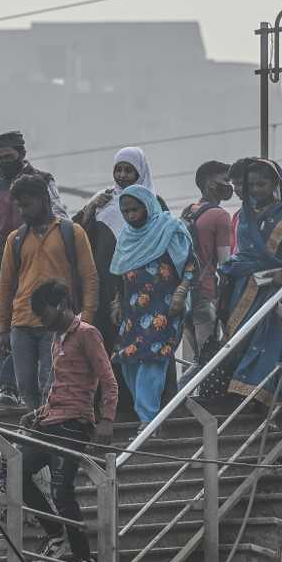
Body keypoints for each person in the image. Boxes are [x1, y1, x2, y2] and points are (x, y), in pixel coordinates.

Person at [21, 280, 117, 562]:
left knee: (61, 489)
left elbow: (108, 380)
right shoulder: (56, 338)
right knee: (18, 474)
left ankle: (82, 558)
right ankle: (55, 535)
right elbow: (60, 386)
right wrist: (37, 412)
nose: (42, 321)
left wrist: (106, 420)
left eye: (44, 313)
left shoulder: (87, 334)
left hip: (75, 422)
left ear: (61, 304)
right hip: (50, 420)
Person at [204, 160, 282, 405]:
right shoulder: (244, 213)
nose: (255, 190)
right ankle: (238, 388)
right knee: (240, 337)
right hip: (242, 285)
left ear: (274, 183)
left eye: (261, 184)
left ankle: (255, 393)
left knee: (267, 337)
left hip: (273, 287)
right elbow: (243, 252)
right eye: (251, 185)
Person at [73, 146, 172, 417]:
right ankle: (107, 408)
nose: (123, 175)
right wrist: (91, 207)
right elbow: (78, 237)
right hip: (107, 290)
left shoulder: (155, 203)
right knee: (106, 344)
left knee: (147, 343)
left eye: (129, 170)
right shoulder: (104, 202)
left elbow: (170, 245)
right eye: (119, 169)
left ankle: (148, 411)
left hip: (146, 290)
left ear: (141, 171)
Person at [0, 131, 68, 407]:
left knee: (40, 327)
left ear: (21, 154)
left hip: (37, 266)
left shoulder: (43, 181)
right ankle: (8, 389)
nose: (3, 162)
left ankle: (43, 392)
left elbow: (60, 217)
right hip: (3, 267)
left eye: (8, 157)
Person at [0, 173, 98, 410]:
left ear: (43, 199)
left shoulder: (72, 233)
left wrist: (87, 323)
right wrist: (3, 329)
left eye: (27, 205)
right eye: (19, 206)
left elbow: (90, 278)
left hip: (57, 323)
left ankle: (47, 437)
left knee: (51, 384)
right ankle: (36, 435)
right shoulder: (16, 239)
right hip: (21, 323)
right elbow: (6, 286)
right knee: (26, 387)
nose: (22, 211)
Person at [110, 185, 195, 430]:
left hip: (164, 307)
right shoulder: (126, 237)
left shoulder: (170, 229)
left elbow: (190, 264)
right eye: (125, 211)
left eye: (134, 209)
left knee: (152, 359)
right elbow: (118, 271)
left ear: (147, 206)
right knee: (127, 360)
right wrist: (117, 302)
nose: (130, 215)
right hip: (132, 311)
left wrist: (181, 292)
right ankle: (146, 415)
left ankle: (148, 419)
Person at [179, 160, 234, 362]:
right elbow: (225, 262)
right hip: (205, 293)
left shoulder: (189, 211)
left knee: (197, 356)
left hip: (184, 294)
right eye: (225, 180)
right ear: (211, 183)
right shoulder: (220, 216)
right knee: (209, 358)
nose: (230, 186)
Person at [227, 158, 253, 255]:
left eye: (240, 184)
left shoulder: (273, 213)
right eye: (235, 185)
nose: (236, 189)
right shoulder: (237, 216)